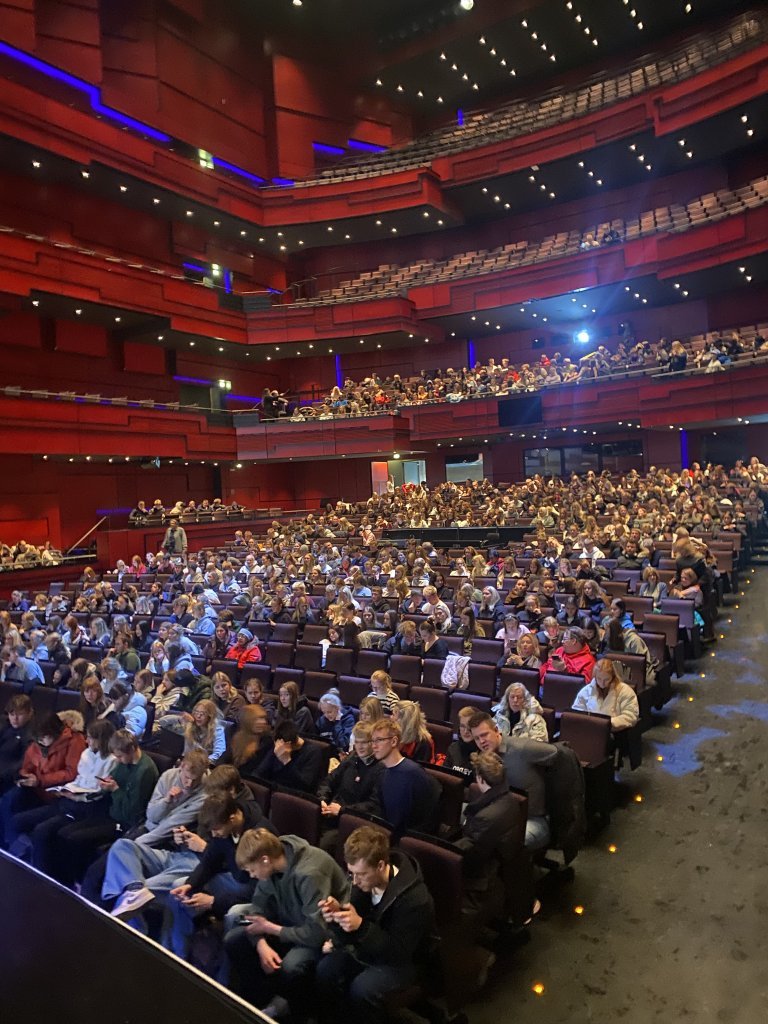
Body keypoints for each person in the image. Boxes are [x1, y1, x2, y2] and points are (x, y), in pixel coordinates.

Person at [223, 828, 350, 1019]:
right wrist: (261, 944)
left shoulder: (310, 874)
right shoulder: (273, 864)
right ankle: (257, 1005)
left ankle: (294, 1013)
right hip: (289, 924)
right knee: (235, 939)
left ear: (265, 860)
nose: (251, 875)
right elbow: (257, 908)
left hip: (322, 935)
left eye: (252, 870)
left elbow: (316, 933)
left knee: (291, 966)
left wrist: (269, 928)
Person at [316, 824, 436, 1024]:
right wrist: (337, 918)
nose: (355, 881)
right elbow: (352, 931)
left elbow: (399, 953)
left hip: (406, 961)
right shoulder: (362, 882)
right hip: (371, 946)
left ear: (380, 866)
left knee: (362, 989)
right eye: (351, 873)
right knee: (326, 970)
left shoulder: (415, 899)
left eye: (361, 874)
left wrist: (360, 926)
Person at [96, 749, 210, 915]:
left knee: (113, 868)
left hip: (165, 838)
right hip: (148, 827)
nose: (189, 784)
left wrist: (138, 844)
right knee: (115, 852)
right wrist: (167, 801)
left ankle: (114, 912)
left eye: (195, 780)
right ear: (181, 767)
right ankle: (131, 893)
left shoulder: (205, 794)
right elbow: (152, 815)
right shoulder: (168, 776)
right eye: (186, 778)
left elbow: (169, 826)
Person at [165, 794, 275, 960]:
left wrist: (213, 902)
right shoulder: (223, 829)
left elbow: (259, 891)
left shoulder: (260, 836)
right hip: (234, 879)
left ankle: (224, 968)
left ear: (232, 819)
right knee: (179, 887)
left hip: (255, 890)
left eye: (216, 830)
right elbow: (210, 861)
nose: (214, 835)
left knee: (234, 914)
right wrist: (191, 884)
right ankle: (178, 953)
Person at [48, 729, 159, 887]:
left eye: (120, 756)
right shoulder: (124, 764)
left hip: (124, 822)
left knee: (74, 838)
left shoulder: (145, 771)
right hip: (109, 813)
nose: (118, 760)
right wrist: (103, 787)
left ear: (132, 749)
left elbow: (132, 810)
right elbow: (112, 781)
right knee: (63, 833)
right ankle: (61, 879)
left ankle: (75, 882)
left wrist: (115, 790)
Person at [454, 751, 529, 914]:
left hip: (483, 879)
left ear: (480, 779)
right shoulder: (511, 800)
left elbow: (470, 857)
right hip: (504, 865)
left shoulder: (485, 818)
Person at [469, 713, 557, 849]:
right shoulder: (483, 758)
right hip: (501, 816)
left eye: (484, 735)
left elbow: (559, 754)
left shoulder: (522, 748)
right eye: (476, 738)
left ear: (496, 730)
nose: (481, 741)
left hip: (533, 820)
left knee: (504, 842)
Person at [0, 711, 86, 849]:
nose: (40, 741)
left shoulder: (74, 740)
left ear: (55, 732)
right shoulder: (38, 740)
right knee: (7, 800)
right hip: (36, 789)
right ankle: (7, 846)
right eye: (38, 738)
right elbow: (27, 764)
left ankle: (17, 849)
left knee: (21, 822)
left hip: (58, 796)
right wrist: (25, 776)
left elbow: (72, 773)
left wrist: (40, 780)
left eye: (43, 737)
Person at [317, 722, 383, 850]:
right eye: (357, 742)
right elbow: (329, 780)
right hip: (330, 812)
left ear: (373, 743)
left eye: (364, 742)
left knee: (322, 845)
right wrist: (322, 799)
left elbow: (373, 805)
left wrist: (342, 810)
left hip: (352, 822)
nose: (360, 747)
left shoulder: (380, 768)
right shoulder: (352, 758)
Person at [371, 719, 439, 836]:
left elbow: (426, 818)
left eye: (379, 740)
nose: (374, 746)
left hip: (408, 838)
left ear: (393, 741)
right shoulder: (382, 773)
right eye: (372, 741)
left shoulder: (413, 773)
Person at [255, 720, 324, 794]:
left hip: (293, 795)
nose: (277, 747)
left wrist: (287, 761)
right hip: (274, 790)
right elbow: (259, 772)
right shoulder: (279, 744)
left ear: (288, 744)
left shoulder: (313, 752)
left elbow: (304, 785)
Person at [572, 659, 640, 732]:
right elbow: (576, 713)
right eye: (599, 679)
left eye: (606, 679)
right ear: (595, 676)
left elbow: (630, 716)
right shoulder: (586, 691)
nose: (602, 683)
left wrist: (606, 723)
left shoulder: (625, 691)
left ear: (613, 676)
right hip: (589, 730)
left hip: (616, 733)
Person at [0, 694, 35, 795]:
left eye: (20, 714)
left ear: (29, 713)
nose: (15, 718)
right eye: (12, 714)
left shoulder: (31, 735)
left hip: (7, 777)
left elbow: (23, 762)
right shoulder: (3, 724)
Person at [443, 706, 479, 775]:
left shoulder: (484, 752)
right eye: (462, 726)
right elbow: (444, 776)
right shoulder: (453, 748)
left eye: (469, 727)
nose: (465, 731)